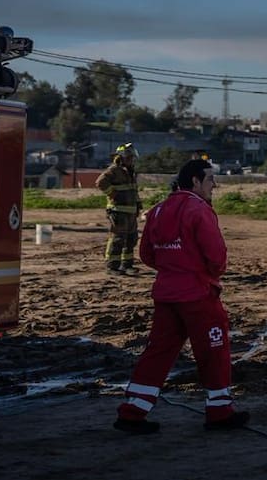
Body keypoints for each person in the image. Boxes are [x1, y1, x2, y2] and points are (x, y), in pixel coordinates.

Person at [113, 159, 249, 434]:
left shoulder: (158, 210)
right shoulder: (199, 210)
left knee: (157, 352)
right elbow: (216, 256)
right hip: (198, 294)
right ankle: (220, 411)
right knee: (214, 351)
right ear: (195, 181)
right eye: (210, 179)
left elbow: (146, 254)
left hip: (166, 293)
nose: (214, 185)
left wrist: (171, 269)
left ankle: (133, 411)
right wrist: (204, 273)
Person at [97, 143, 142, 275]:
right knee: (118, 239)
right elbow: (100, 182)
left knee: (131, 239)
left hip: (130, 211)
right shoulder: (114, 170)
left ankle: (126, 265)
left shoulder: (130, 172)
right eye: (128, 157)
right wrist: (113, 193)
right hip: (118, 211)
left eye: (132, 158)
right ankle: (112, 266)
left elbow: (133, 190)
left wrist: (138, 204)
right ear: (120, 158)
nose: (130, 160)